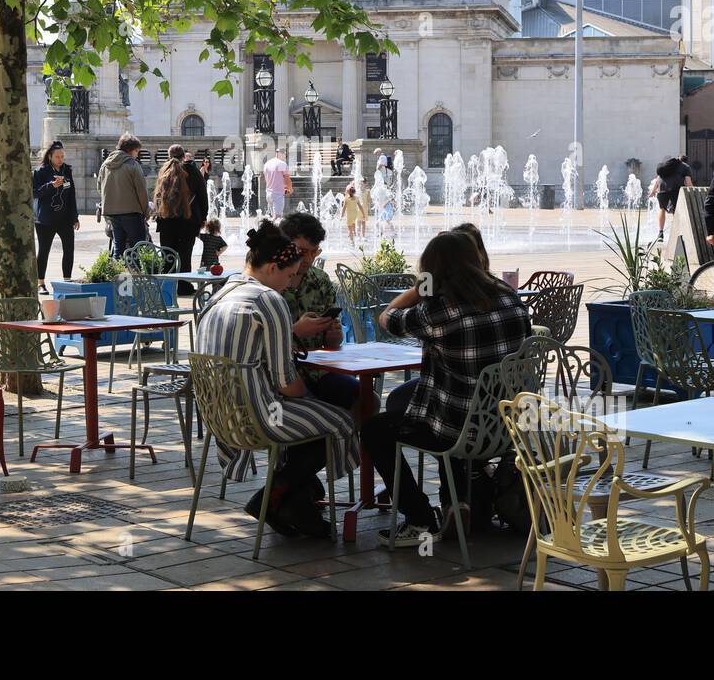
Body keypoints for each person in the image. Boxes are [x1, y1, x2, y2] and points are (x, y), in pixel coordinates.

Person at [361, 231, 531, 546]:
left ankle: (420, 518)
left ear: (433, 272)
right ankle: (458, 500)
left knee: (375, 429)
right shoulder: (510, 296)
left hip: (459, 430)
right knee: (408, 400)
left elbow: (387, 319)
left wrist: (418, 288)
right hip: (506, 426)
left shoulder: (439, 311)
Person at [193, 220, 358, 538]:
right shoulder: (269, 300)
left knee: (313, 420)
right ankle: (271, 498)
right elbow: (287, 382)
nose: (291, 283)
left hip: (220, 418)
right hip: (258, 417)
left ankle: (296, 503)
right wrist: (313, 402)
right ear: (272, 268)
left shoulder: (220, 295)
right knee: (339, 421)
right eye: (289, 275)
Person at [278, 212, 365, 417]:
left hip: (319, 372)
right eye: (301, 251)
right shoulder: (272, 282)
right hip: (282, 378)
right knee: (321, 411)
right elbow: (261, 343)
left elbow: (333, 343)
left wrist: (334, 335)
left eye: (314, 252)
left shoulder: (320, 280)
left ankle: (347, 447)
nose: (307, 259)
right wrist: (295, 331)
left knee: (366, 399)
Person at [153, 145, 205, 293]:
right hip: (188, 220)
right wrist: (203, 217)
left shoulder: (164, 171)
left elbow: (158, 196)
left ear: (169, 156)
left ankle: (167, 288)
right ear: (184, 155)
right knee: (185, 254)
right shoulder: (193, 171)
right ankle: (183, 286)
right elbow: (202, 196)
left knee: (167, 254)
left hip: (167, 220)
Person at [98, 133, 150, 257]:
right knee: (138, 249)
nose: (137, 154)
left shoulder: (105, 165)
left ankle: (116, 275)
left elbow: (100, 188)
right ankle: (138, 275)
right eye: (137, 151)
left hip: (112, 213)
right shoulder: (132, 165)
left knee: (118, 248)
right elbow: (142, 192)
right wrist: (146, 212)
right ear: (131, 150)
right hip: (132, 212)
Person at [34, 141, 79, 283]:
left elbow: (71, 194)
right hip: (45, 219)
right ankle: (40, 282)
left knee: (69, 249)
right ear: (50, 157)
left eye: (62, 156)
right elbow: (35, 193)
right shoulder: (40, 172)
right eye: (57, 157)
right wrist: (51, 186)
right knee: (44, 251)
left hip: (65, 218)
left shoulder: (67, 170)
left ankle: (67, 280)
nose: (61, 160)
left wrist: (75, 217)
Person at [651, 155, 693, 242]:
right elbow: (688, 182)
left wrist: (653, 191)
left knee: (662, 209)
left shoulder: (667, 165)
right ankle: (677, 233)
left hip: (662, 188)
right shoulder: (685, 167)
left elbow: (658, 178)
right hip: (675, 189)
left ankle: (660, 233)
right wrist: (692, 192)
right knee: (676, 211)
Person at [263, 149, 291, 218]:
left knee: (273, 216)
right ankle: (270, 228)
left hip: (269, 193)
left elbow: (265, 177)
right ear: (281, 154)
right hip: (277, 194)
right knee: (277, 217)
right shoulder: (281, 164)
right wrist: (290, 188)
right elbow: (287, 178)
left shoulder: (267, 163)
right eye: (285, 155)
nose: (285, 157)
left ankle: (271, 228)